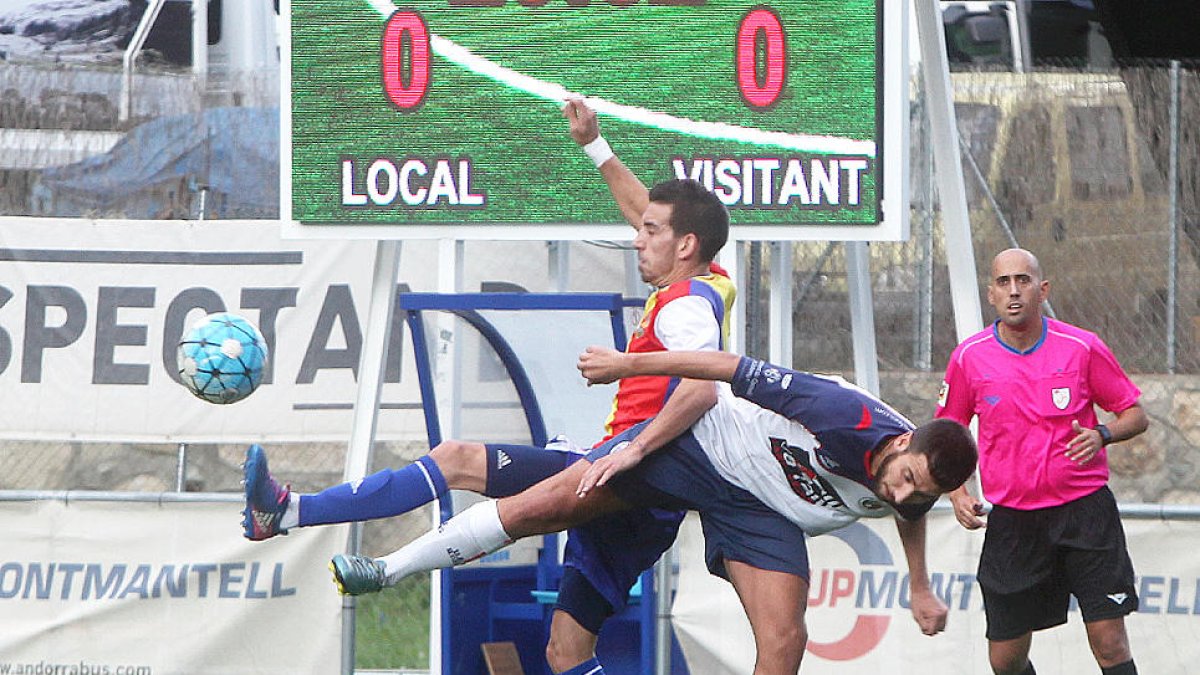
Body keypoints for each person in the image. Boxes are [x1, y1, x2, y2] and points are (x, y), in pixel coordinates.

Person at [243, 98, 736, 675]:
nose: (636, 238)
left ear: (684, 246)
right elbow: (646, 213)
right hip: (633, 489)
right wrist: (595, 146)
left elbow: (703, 386)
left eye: (650, 233)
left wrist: (634, 442)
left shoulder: (687, 307)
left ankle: (306, 521)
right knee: (566, 652)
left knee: (457, 461)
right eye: (643, 227)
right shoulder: (707, 276)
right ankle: (291, 517)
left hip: (625, 479)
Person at [330, 348, 979, 675]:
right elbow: (720, 367)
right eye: (904, 476)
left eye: (915, 490)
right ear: (901, 441)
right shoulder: (841, 415)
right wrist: (625, 365)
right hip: (704, 451)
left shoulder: (916, 485)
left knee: (786, 640)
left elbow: (910, 509)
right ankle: (387, 568)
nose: (900, 493)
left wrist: (919, 584)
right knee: (548, 506)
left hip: (762, 512)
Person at [935, 248, 1149, 675]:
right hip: (1014, 523)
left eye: (1023, 281)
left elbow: (1135, 415)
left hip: (1086, 515)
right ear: (991, 294)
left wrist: (1103, 434)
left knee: (1110, 643)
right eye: (1003, 283)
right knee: (1005, 659)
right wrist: (958, 493)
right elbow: (947, 436)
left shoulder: (1082, 346)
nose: (1014, 291)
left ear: (1042, 289)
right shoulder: (968, 357)